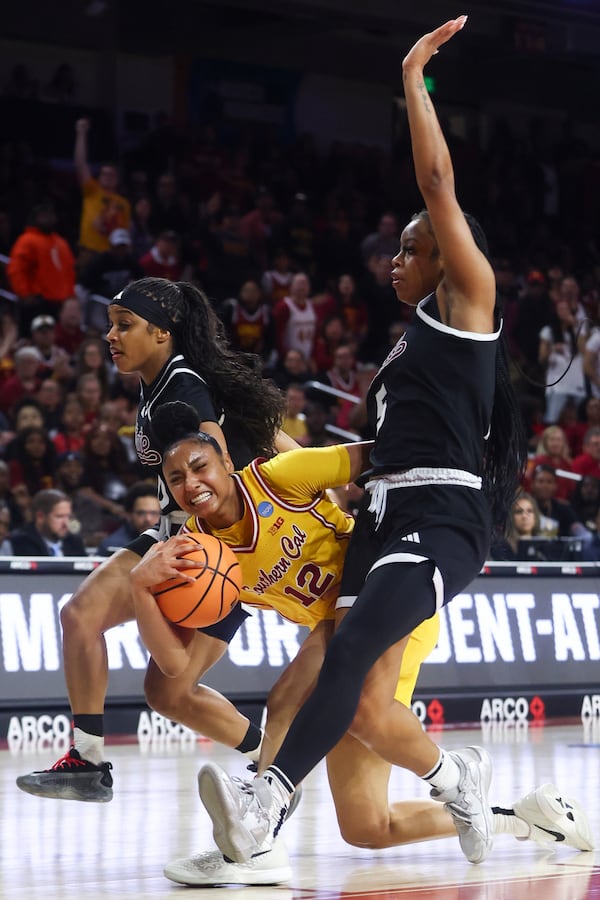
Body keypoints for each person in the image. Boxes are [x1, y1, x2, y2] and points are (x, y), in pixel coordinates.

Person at [196, 17, 528, 870]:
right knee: (345, 679)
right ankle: (458, 778)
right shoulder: (402, 348)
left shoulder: (469, 308)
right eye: (401, 246)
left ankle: (266, 802)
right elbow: (360, 455)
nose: (397, 255)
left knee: (343, 652)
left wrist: (414, 78)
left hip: (444, 514)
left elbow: (438, 181)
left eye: (414, 247)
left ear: (449, 261)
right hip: (381, 516)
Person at [118, 403, 592, 885]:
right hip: (336, 630)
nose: (191, 483)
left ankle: (259, 834)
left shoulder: (281, 476)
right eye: (175, 479)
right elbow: (174, 667)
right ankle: (525, 817)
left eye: (200, 467)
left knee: (286, 701)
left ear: (225, 461)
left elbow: (380, 456)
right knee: (367, 826)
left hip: (385, 597)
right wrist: (139, 588)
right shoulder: (198, 552)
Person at [16, 276, 287, 803]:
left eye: (124, 326)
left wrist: (188, 549)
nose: (110, 337)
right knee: (81, 619)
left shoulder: (181, 389)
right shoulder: (162, 379)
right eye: (110, 326)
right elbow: (267, 430)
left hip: (210, 548)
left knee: (169, 691)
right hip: (169, 531)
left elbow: (212, 463)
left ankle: (274, 766)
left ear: (161, 333)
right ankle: (88, 762)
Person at [8, 488, 86, 557]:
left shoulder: (74, 542)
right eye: (60, 516)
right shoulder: (22, 541)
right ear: (40, 517)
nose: (66, 523)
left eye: (68, 517)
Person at [96, 481, 160, 556]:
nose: (148, 519)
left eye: (153, 513)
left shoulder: (169, 541)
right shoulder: (112, 546)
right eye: (141, 513)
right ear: (129, 514)